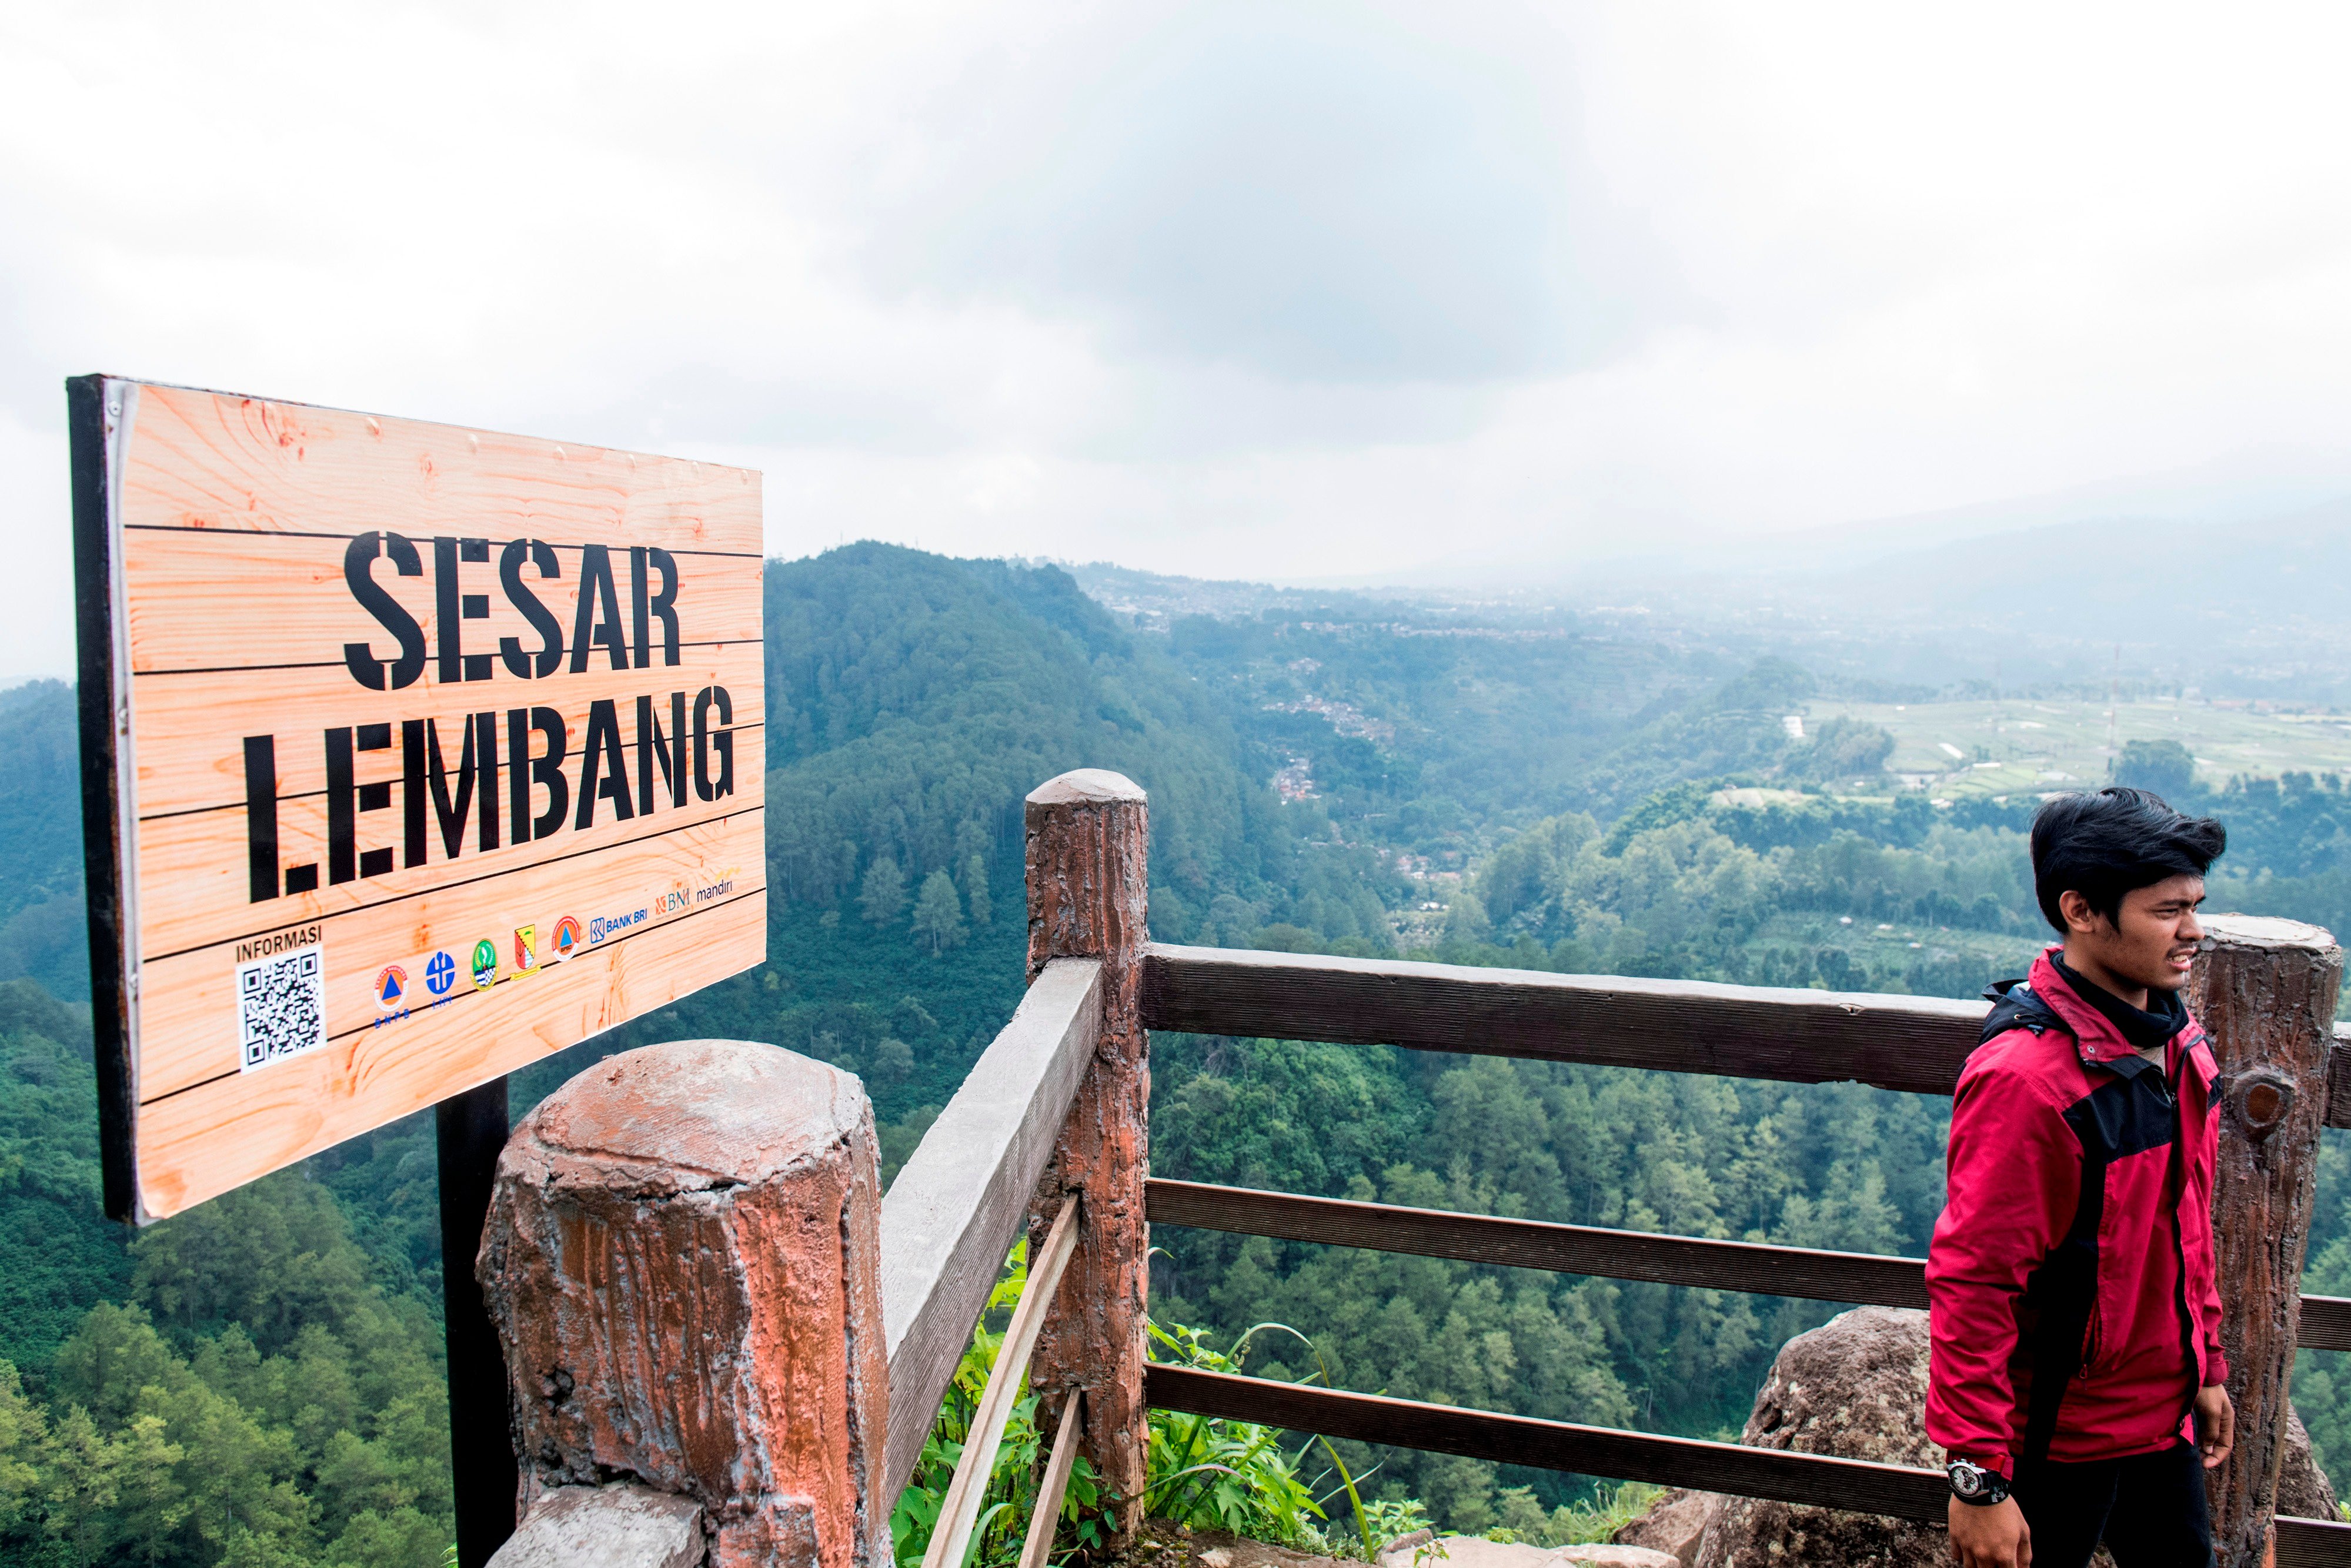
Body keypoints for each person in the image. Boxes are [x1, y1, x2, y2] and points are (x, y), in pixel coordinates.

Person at [1928, 787, 2233, 1568]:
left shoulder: (2174, 1044)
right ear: (2081, 910)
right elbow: (1974, 1281)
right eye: (2167, 911)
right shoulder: (2028, 1081)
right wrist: (1978, 1480)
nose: (2193, 931)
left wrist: (2202, 1363)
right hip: (2054, 1442)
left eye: (2194, 905)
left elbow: (2182, 1225)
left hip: (2160, 1424)